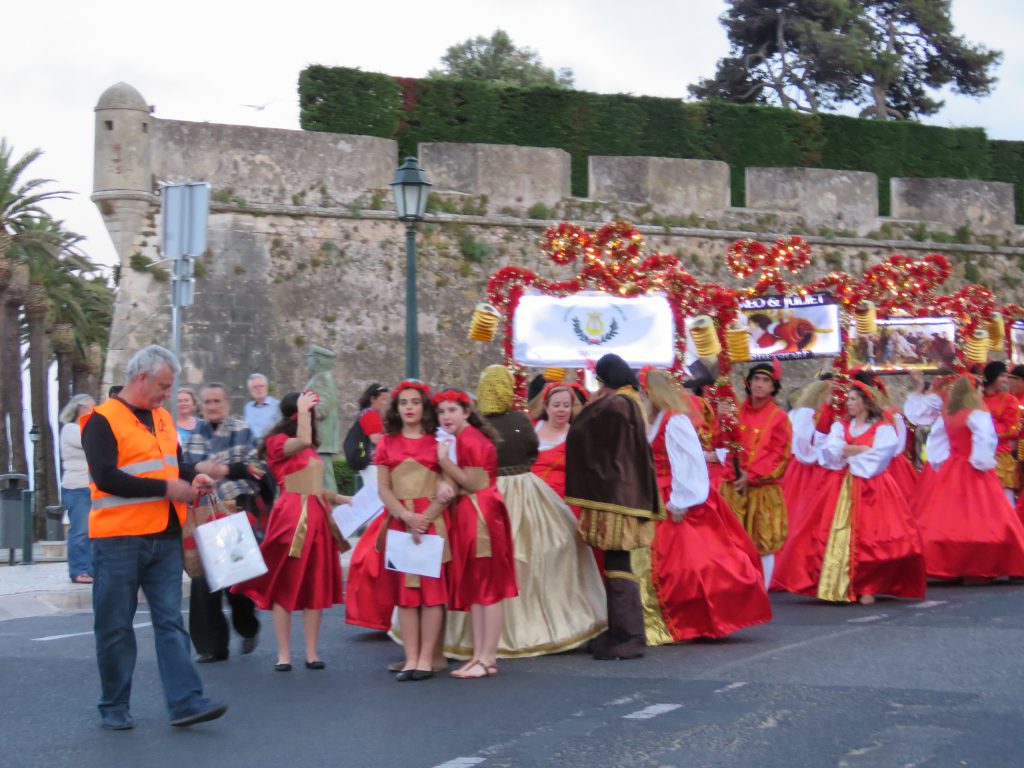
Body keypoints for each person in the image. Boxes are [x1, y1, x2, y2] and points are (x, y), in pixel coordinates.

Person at [82, 344, 226, 730]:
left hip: (164, 537)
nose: (168, 395)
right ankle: (113, 706)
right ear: (140, 378)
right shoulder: (100, 420)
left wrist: (194, 472)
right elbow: (106, 478)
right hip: (118, 540)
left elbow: (172, 465)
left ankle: (186, 703)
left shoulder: (162, 419)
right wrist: (166, 489)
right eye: (163, 386)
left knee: (170, 623)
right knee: (114, 626)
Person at [445, 366, 606, 660]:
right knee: (542, 552)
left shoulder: (473, 423)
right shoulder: (519, 421)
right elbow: (530, 447)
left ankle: (477, 638)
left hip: (483, 491)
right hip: (525, 489)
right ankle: (544, 623)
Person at [641, 368, 771, 641]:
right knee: (666, 565)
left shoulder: (675, 421)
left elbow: (688, 463)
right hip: (655, 494)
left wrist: (680, 501)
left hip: (677, 495)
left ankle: (694, 620)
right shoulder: (653, 421)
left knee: (692, 564)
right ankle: (675, 619)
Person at [772, 382, 926, 604]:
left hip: (872, 489)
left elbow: (879, 457)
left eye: (853, 399)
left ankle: (868, 586)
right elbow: (832, 451)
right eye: (848, 399)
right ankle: (839, 581)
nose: (848, 403)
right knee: (825, 534)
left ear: (864, 402)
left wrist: (850, 452)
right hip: (839, 484)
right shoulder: (841, 426)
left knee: (872, 539)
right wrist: (861, 450)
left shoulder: (882, 428)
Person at [233, 391, 349, 671]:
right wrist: (304, 412)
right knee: (284, 583)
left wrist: (337, 498)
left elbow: (311, 483)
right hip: (291, 516)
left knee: (313, 584)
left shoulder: (304, 445)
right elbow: (304, 443)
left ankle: (311, 652)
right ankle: (283, 654)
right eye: (310, 408)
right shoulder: (278, 441)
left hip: (317, 515)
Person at [566, 354, 662, 660]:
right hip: (624, 495)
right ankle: (619, 631)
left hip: (619, 498)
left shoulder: (619, 404)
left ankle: (630, 635)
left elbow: (582, 427)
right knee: (615, 562)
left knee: (619, 562)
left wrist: (592, 401)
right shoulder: (630, 401)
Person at [435, 389, 518, 678]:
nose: (446, 416)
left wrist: (444, 462)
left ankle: (487, 657)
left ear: (466, 412)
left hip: (481, 515)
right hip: (477, 514)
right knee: (480, 588)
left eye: (452, 410)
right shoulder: (465, 439)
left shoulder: (469, 440)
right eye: (442, 411)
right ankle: (481, 656)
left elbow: (472, 482)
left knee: (487, 587)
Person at [911, 375, 1024, 581]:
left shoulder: (948, 414)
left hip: (952, 467)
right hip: (973, 466)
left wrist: (940, 464)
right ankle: (981, 565)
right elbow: (985, 438)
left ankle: (952, 564)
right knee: (986, 515)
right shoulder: (977, 413)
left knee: (948, 516)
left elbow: (936, 443)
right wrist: (982, 461)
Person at [182, 383, 262, 663]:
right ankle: (212, 646)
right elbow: (185, 467)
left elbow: (256, 468)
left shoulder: (242, 429)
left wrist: (225, 469)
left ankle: (247, 625)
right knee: (203, 583)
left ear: (227, 403)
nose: (212, 406)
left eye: (217, 401)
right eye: (207, 402)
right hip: (203, 511)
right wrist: (203, 468)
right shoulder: (195, 435)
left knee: (236, 580)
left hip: (234, 510)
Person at [720, 361, 792, 586]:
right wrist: (721, 418)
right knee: (731, 541)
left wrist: (750, 476)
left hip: (762, 489)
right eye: (756, 380)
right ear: (748, 383)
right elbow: (715, 441)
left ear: (773, 387)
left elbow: (779, 456)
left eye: (765, 381)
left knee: (764, 541)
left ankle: (763, 589)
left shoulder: (779, 417)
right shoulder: (735, 411)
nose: (759, 385)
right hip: (733, 487)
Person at [59, 394, 96, 584]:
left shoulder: (82, 428)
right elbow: (91, 442)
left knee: (91, 531)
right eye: (91, 407)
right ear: (81, 408)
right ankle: (79, 569)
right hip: (77, 486)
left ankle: (90, 569)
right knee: (80, 530)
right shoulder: (71, 429)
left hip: (89, 486)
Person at [529, 381, 583, 498]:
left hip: (559, 501)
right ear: (546, 407)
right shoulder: (532, 427)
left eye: (566, 405)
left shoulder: (576, 435)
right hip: (528, 496)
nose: (562, 409)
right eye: (556, 405)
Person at [980, 361, 1021, 505]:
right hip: (978, 455)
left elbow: (1012, 429)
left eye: (1006, 376)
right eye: (1002, 375)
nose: (1006, 379)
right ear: (992, 376)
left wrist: (983, 426)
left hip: (1001, 457)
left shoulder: (1010, 400)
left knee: (1005, 502)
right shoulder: (976, 398)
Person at [355, 382, 389, 489]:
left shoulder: (366, 413)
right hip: (372, 464)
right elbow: (375, 438)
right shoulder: (370, 415)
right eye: (382, 399)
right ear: (372, 399)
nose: (385, 403)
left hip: (371, 463)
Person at [243, 373, 282, 440]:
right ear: (250, 390)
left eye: (261, 386)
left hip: (269, 444)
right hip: (251, 446)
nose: (258, 389)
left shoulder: (277, 405)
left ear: (266, 387)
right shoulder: (248, 407)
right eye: (255, 387)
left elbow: (282, 428)